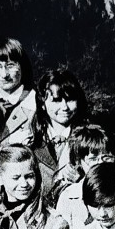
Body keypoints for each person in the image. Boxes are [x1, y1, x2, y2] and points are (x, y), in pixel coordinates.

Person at [32, 69, 89, 205]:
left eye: (70, 99)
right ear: (42, 103)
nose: (65, 107)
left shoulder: (89, 138)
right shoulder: (31, 140)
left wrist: (84, 180)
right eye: (57, 100)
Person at [55, 124, 115, 229]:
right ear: (79, 162)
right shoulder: (69, 197)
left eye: (107, 158)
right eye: (93, 159)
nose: (100, 164)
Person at [0, 38, 37, 147]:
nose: (4, 74)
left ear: (22, 67)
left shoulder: (36, 102)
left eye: (10, 65)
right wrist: (9, 141)